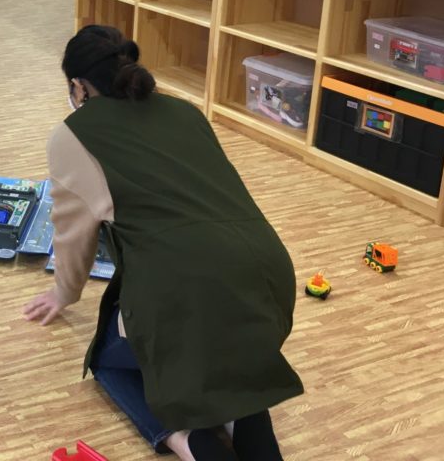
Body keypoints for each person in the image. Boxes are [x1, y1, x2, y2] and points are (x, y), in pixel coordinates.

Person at [23, 25, 302, 461]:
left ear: (79, 86)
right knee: (229, 361)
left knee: (108, 360)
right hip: (268, 277)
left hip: (184, 289)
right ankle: (244, 414)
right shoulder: (185, 111)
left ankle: (186, 440)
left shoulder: (72, 135)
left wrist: (65, 293)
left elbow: (73, 236)